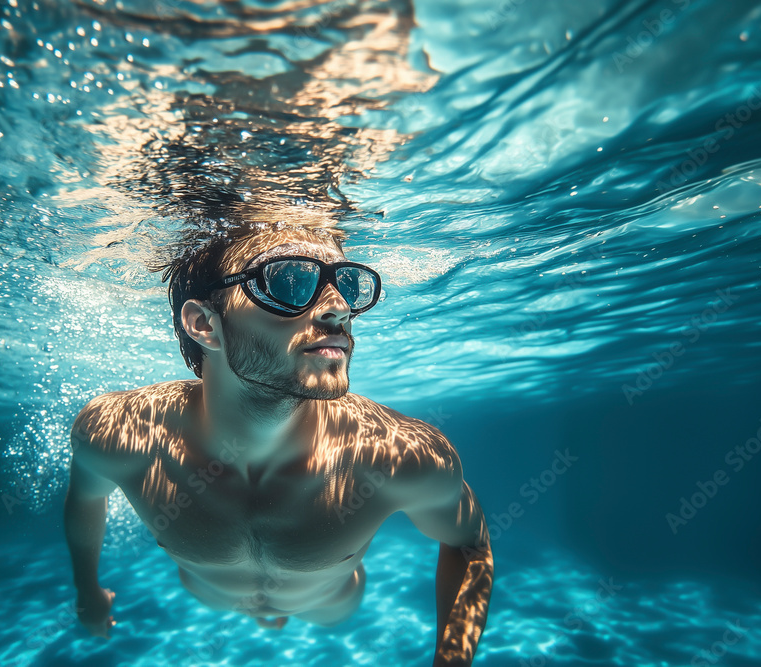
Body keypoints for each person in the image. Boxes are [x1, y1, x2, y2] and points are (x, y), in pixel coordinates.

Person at [63, 219, 493, 666]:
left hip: (329, 605)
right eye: (290, 279)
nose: (339, 308)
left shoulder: (400, 454)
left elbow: (471, 545)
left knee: (318, 611)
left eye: (346, 283)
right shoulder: (117, 431)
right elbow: (85, 500)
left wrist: (451, 661)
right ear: (204, 325)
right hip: (214, 597)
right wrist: (86, 589)